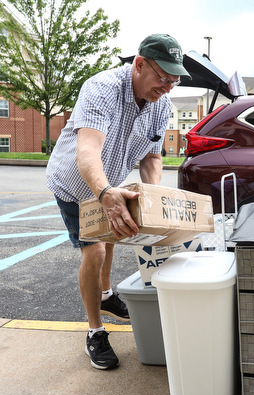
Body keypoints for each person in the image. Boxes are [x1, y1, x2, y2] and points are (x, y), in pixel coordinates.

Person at [46, 33, 189, 370]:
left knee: (111, 236)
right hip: (75, 181)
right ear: (139, 64)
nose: (167, 87)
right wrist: (105, 194)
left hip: (111, 179)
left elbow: (153, 156)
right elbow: (87, 151)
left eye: (175, 80)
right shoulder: (102, 88)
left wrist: (152, 196)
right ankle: (95, 331)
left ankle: (107, 295)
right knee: (95, 249)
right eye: (162, 78)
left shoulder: (161, 105)